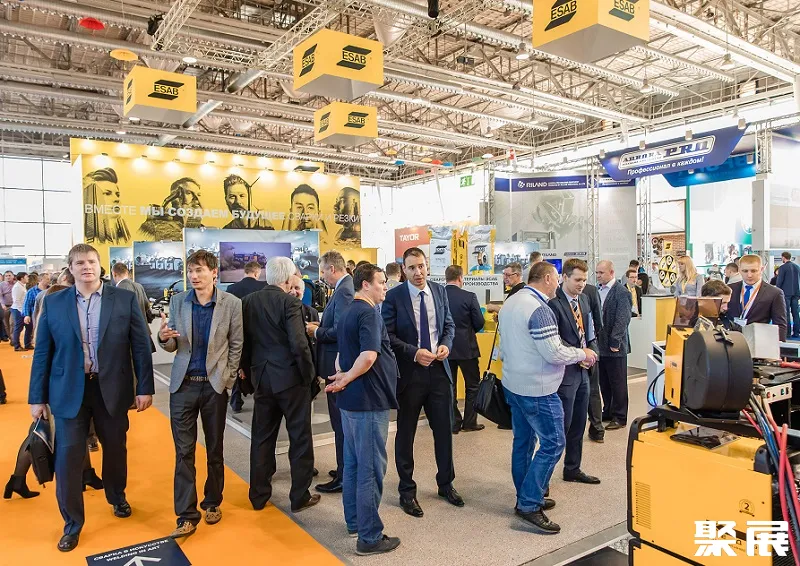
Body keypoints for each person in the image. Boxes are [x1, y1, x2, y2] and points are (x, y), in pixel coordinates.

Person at [29, 243, 154, 553]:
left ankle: (117, 496)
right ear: (70, 269)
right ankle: (72, 523)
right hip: (68, 390)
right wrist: (37, 397)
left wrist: (144, 388)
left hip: (111, 388)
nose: (86, 267)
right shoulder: (53, 303)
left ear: (100, 266)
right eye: (79, 262)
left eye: (91, 261)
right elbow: (43, 352)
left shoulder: (123, 299)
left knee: (115, 449)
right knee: (68, 457)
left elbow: (140, 346)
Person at [498, 261, 597, 533]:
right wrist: (582, 354)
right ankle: (529, 503)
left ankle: (526, 494)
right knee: (553, 442)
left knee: (523, 443)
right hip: (538, 389)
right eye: (556, 279)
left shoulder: (511, 302)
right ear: (548, 279)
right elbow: (554, 352)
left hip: (514, 385)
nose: (558, 284)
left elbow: (503, 349)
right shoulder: (539, 309)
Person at [157, 250, 242, 538]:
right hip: (182, 386)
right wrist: (163, 338)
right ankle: (186, 515)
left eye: (199, 270)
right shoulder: (179, 301)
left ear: (214, 273)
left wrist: (227, 380)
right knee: (184, 452)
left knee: (215, 449)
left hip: (214, 386)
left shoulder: (231, 304)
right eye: (191, 271)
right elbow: (172, 345)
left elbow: (236, 344)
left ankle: (212, 501)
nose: (194, 276)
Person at [326, 263, 401, 556]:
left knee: (354, 464)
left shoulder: (348, 311)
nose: (385, 287)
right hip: (368, 402)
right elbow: (368, 356)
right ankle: (369, 537)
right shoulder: (369, 313)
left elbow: (341, 355)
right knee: (370, 469)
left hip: (351, 402)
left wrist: (342, 375)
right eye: (381, 282)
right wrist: (346, 378)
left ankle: (355, 522)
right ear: (366, 285)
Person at [382, 247, 459, 518]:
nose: (418, 272)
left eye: (422, 266)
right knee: (406, 433)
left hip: (439, 372)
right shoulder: (394, 297)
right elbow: (387, 335)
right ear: (404, 270)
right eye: (412, 267)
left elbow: (448, 326)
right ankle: (407, 490)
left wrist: (446, 345)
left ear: (428, 266)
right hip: (410, 375)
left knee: (444, 431)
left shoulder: (439, 291)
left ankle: (446, 484)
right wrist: (413, 352)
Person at [242, 257, 319, 513]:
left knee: (262, 438)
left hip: (262, 378)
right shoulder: (290, 303)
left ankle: (258, 495)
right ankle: (299, 496)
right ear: (287, 279)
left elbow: (243, 343)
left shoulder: (248, 302)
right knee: (300, 438)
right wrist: (309, 376)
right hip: (291, 380)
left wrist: (248, 374)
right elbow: (299, 344)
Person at [547, 259, 601, 488]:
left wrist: (592, 354)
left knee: (579, 423)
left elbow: (590, 332)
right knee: (561, 428)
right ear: (565, 277)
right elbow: (555, 341)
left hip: (583, 373)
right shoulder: (553, 304)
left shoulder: (585, 299)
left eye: (585, 280)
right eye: (577, 280)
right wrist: (580, 355)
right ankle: (543, 479)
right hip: (564, 373)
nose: (582, 284)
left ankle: (572, 468)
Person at [308, 251, 354, 494]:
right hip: (336, 365)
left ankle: (345, 475)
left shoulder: (344, 290)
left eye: (324, 270)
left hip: (337, 366)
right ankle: (344, 467)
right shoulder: (343, 288)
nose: (322, 275)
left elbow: (341, 330)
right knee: (340, 422)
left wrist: (316, 332)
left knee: (340, 423)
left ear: (332, 269)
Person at [444, 265, 485, 434]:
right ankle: (470, 422)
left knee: (449, 386)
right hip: (467, 348)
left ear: (446, 278)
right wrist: (468, 331)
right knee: (473, 385)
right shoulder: (469, 296)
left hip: (445, 349)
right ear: (460, 278)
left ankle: (453, 423)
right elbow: (480, 322)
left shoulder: (438, 296)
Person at [595, 260, 633, 431]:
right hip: (600, 345)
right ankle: (608, 411)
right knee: (604, 382)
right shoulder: (598, 291)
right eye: (597, 272)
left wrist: (615, 341)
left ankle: (620, 416)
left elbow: (623, 319)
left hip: (615, 346)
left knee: (618, 383)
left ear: (611, 272)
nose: (598, 276)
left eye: (601, 273)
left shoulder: (621, 292)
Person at [226, 261, 267, 414]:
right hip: (258, 333)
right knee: (258, 366)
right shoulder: (264, 287)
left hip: (237, 331)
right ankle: (260, 400)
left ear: (245, 271)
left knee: (237, 364)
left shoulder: (232, 289)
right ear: (257, 273)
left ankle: (236, 401)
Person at [726, 254, 788, 341]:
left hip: (759, 341)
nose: (749, 275)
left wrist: (779, 346)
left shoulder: (774, 293)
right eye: (745, 271)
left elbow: (780, 325)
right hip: (731, 340)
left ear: (761, 269)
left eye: (753, 271)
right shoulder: (729, 289)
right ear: (739, 270)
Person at [138, 177, 204, 240]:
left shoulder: (203, 231)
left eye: (199, 194)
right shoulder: (161, 228)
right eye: (189, 193)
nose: (196, 199)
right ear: (175, 199)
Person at [111, 263, 155, 349]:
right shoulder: (139, 286)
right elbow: (146, 306)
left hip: (128, 337)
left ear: (114, 274)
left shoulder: (118, 290)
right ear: (127, 272)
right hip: (143, 333)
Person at [582, 280, 605, 444]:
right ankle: (596, 428)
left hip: (588, 349)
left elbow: (598, 321)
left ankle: (597, 429)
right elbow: (598, 322)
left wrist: (593, 349)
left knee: (593, 390)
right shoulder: (557, 294)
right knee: (591, 390)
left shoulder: (589, 292)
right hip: (572, 352)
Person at [83, 168, 131, 245]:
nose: (116, 199)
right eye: (107, 193)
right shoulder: (83, 237)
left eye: (117, 194)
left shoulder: (122, 237)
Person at [776, 252, 800, 339]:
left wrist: (777, 291)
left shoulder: (783, 267)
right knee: (796, 313)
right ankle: (796, 332)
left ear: (783, 257)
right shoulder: (797, 267)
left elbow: (779, 281)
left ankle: (787, 333)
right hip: (796, 293)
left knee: (786, 313)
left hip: (786, 293)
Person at [11, 272, 30, 351]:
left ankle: (27, 344)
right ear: (22, 278)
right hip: (18, 310)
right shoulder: (17, 287)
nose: (28, 278)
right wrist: (23, 312)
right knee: (18, 328)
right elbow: (17, 301)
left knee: (26, 327)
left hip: (21, 309)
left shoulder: (22, 285)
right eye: (26, 277)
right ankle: (17, 346)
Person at [1, 270, 14, 342]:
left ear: (13, 276)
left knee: (12, 323)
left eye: (9, 275)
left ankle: (13, 339)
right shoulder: (1, 285)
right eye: (6, 276)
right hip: (5, 307)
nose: (8, 277)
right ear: (4, 277)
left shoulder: (16, 284)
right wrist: (3, 304)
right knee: (6, 324)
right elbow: (0, 296)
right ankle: (11, 338)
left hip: (14, 306)